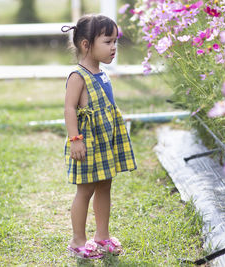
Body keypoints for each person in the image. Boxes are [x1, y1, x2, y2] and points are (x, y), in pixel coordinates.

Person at [61, 14, 137, 259]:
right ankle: (77, 240)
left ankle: (102, 236)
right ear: (86, 44)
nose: (114, 47)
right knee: (85, 190)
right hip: (87, 143)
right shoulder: (78, 76)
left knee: (105, 185)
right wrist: (75, 139)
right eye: (108, 42)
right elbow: (70, 108)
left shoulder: (101, 72)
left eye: (115, 41)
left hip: (105, 142)